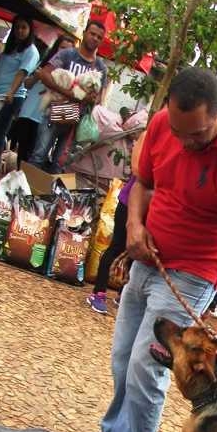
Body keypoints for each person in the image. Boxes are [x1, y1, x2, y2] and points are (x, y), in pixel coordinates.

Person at [69, 67, 217, 432]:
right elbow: (143, 184)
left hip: (192, 274)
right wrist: (134, 226)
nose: (185, 141)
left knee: (146, 366)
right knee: (123, 358)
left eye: (196, 135)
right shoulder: (163, 125)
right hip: (148, 256)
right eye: (178, 131)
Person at [30, 20, 108, 171]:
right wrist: (71, 94)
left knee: (61, 164)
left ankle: (49, 187)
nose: (95, 38)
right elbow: (44, 74)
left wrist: (91, 99)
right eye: (92, 34)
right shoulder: (68, 54)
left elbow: (98, 98)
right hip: (54, 112)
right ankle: (26, 186)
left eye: (99, 37)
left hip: (75, 121)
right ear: (84, 33)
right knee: (38, 156)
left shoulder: (101, 67)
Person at [86, 134, 145, 315]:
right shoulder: (148, 137)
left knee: (137, 253)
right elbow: (137, 168)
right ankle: (98, 293)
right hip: (129, 203)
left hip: (151, 209)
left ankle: (123, 295)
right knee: (117, 246)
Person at [0, 15, 40, 178]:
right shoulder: (12, 47)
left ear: (30, 30)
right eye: (17, 27)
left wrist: (11, 92)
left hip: (11, 97)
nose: (20, 31)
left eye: (24, 27)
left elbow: (22, 73)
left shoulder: (31, 51)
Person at [9, 34, 74, 163]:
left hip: (45, 117)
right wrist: (36, 77)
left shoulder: (69, 75)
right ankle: (20, 173)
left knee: (35, 154)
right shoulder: (44, 63)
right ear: (56, 48)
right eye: (62, 47)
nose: (64, 52)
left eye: (68, 50)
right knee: (22, 150)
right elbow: (27, 84)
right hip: (28, 112)